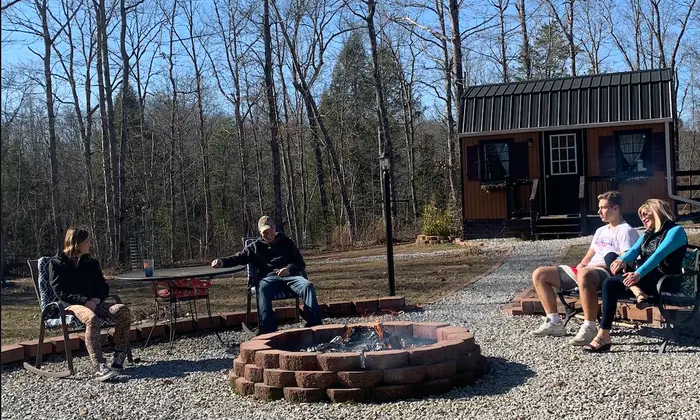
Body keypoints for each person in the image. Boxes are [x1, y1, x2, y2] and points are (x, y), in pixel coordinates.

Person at [530, 191, 639, 345]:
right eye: (599, 208)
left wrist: (589, 268)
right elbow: (589, 255)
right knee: (540, 274)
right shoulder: (600, 231)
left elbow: (624, 261)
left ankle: (590, 326)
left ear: (616, 208)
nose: (599, 211)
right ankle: (554, 322)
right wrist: (582, 264)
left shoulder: (626, 231)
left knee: (585, 274)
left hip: (605, 273)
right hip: (586, 271)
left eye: (603, 207)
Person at [583, 199, 688, 353]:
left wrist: (638, 273)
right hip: (645, 279)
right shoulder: (647, 234)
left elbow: (658, 255)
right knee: (611, 269)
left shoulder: (675, 231)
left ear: (657, 213)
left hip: (665, 280)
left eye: (646, 215)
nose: (643, 219)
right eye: (642, 216)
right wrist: (621, 260)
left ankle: (636, 290)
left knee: (613, 279)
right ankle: (604, 334)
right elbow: (632, 252)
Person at [211, 216, 323, 334]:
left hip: (291, 276)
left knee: (307, 286)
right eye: (264, 232)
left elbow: (300, 262)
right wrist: (221, 262)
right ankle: (267, 330)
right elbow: (238, 257)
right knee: (263, 289)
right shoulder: (255, 247)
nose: (268, 234)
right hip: (270, 278)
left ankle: (315, 326)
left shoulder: (287, 242)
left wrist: (289, 269)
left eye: (270, 230)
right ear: (260, 232)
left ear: (274, 228)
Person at [49, 227, 132, 381]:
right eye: (87, 241)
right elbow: (60, 291)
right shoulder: (57, 264)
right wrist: (84, 301)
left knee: (122, 310)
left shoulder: (92, 263)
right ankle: (99, 366)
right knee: (91, 318)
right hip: (71, 305)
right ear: (76, 243)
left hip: (93, 302)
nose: (90, 244)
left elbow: (103, 286)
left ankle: (119, 356)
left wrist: (96, 299)